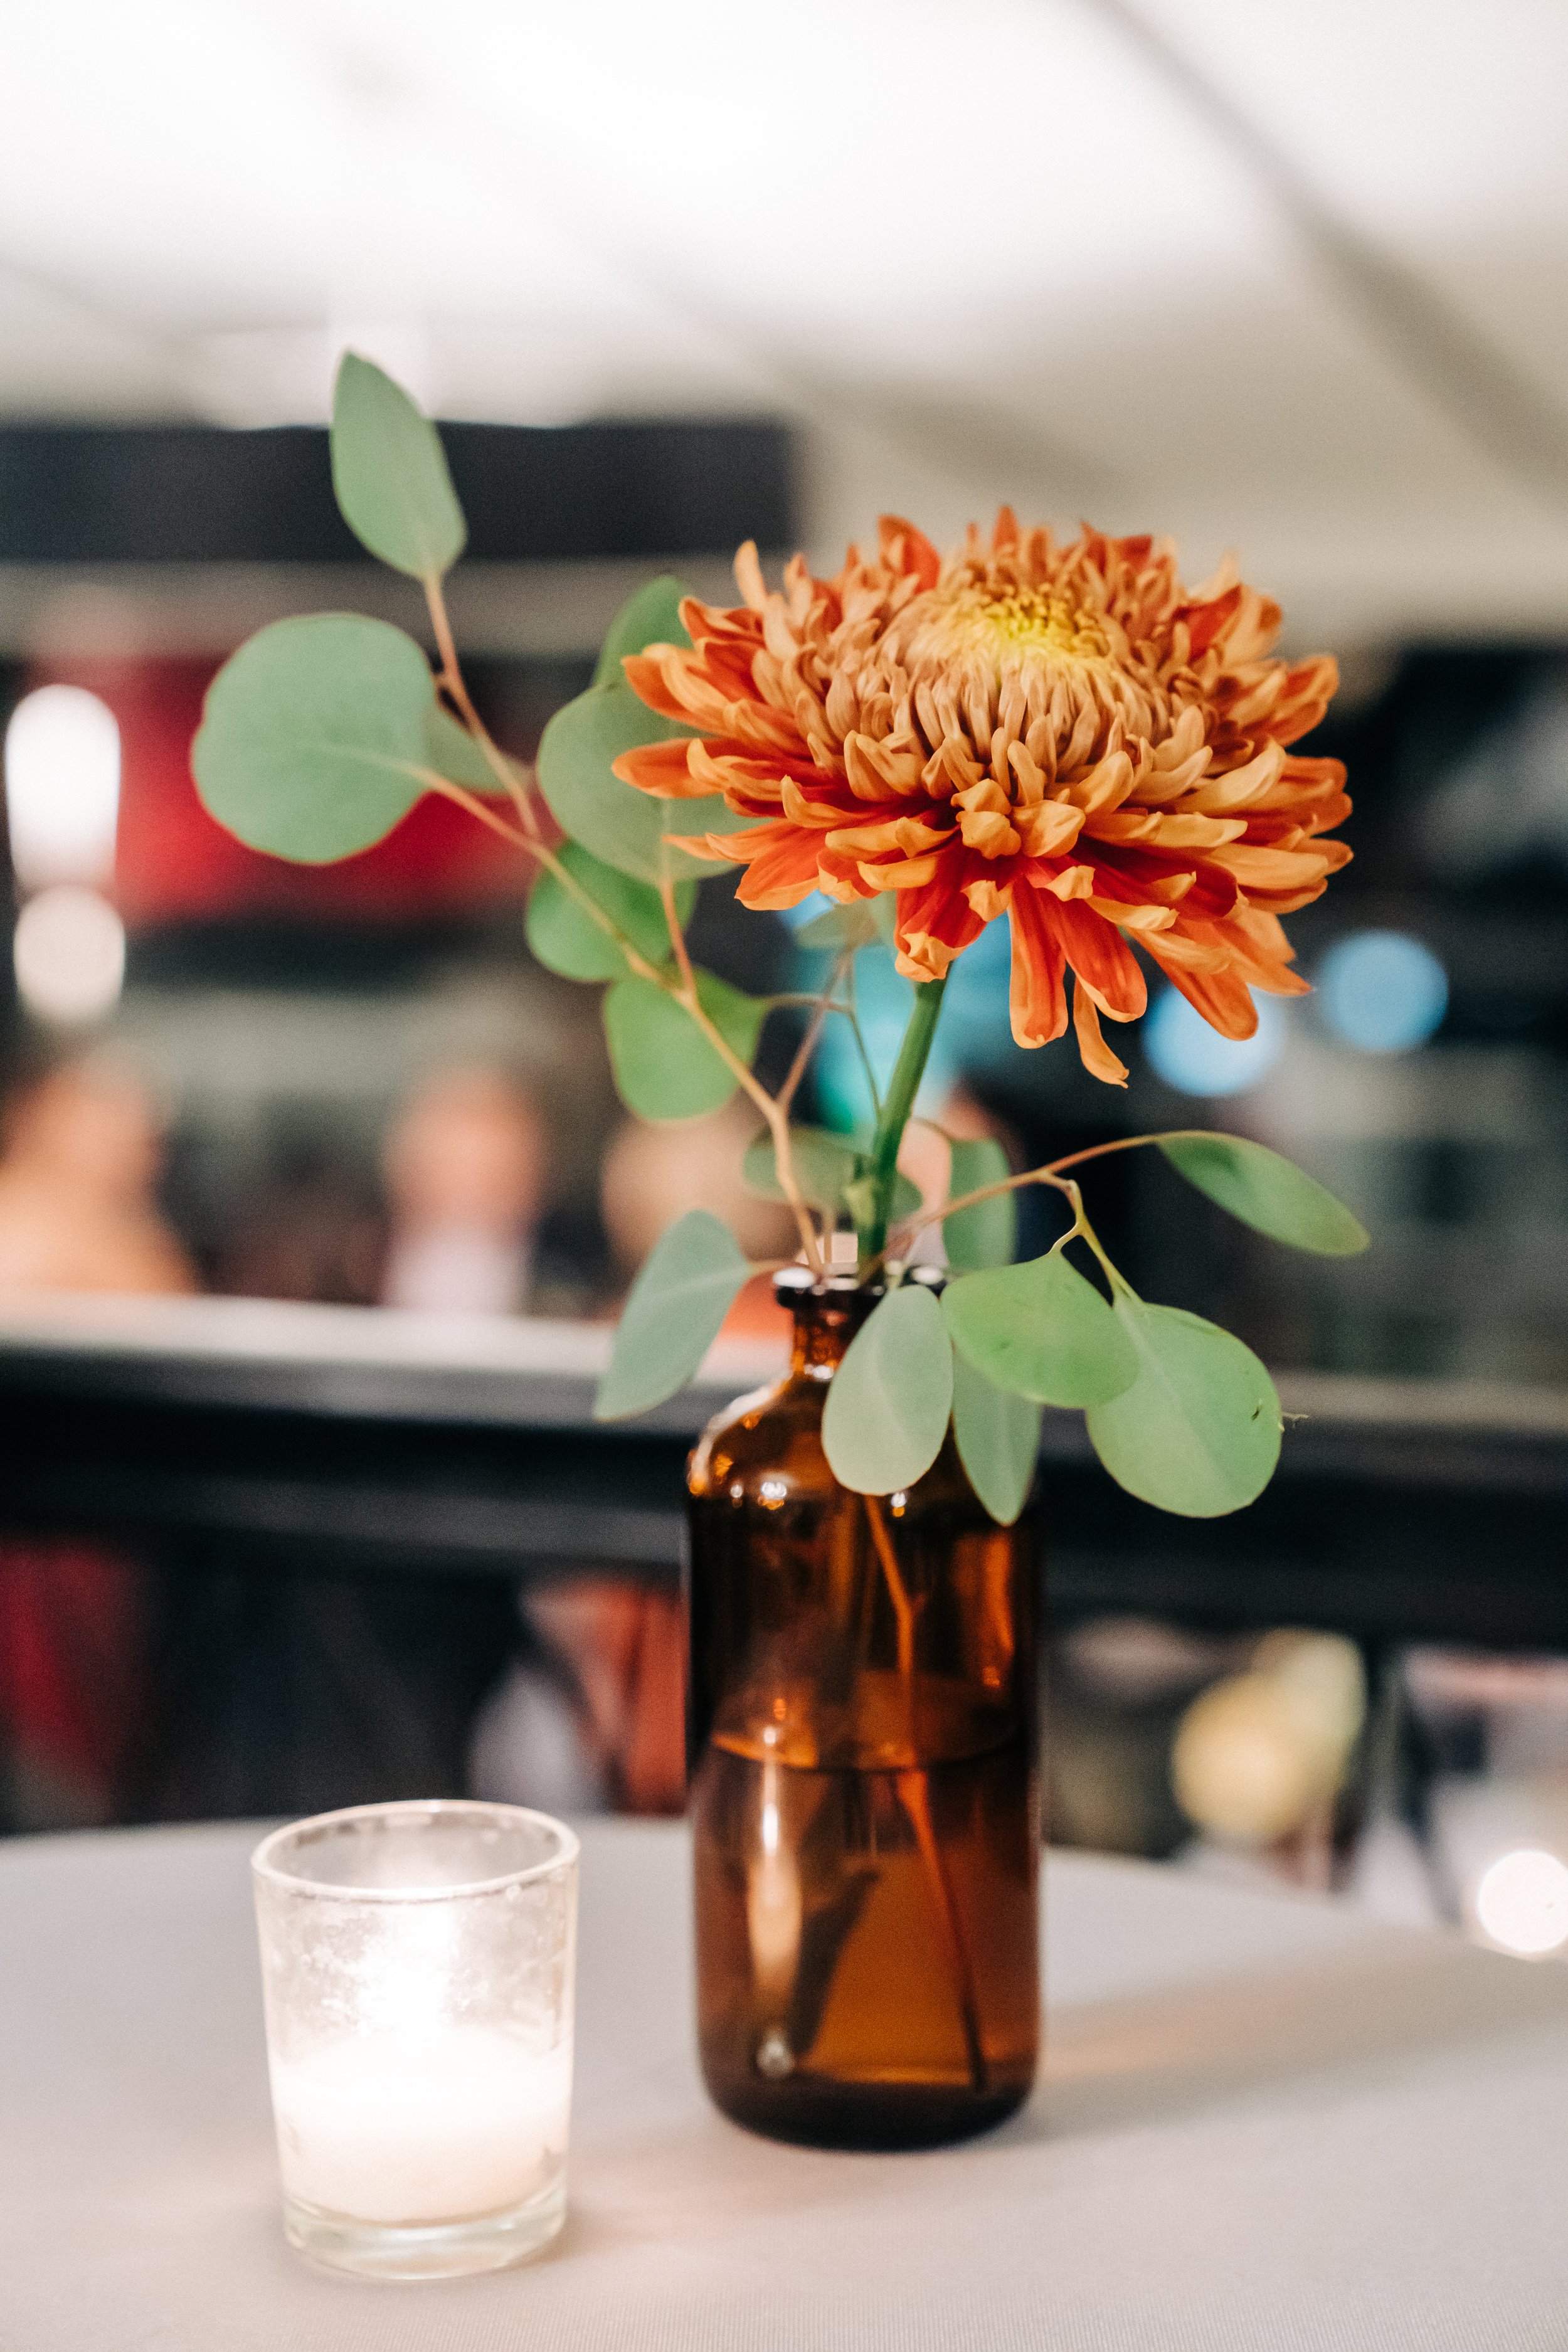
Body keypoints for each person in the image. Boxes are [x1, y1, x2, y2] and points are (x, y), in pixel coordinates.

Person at [0, 1058, 196, 1828]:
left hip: (104, 1552)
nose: (137, 1142)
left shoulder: (132, 1235)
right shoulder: (23, 1218)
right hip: (36, 1546)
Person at [379, 1067, 548, 1315]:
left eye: (495, 1181)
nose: (471, 1202)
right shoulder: (356, 1279)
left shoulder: (563, 1300)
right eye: (451, 1172)